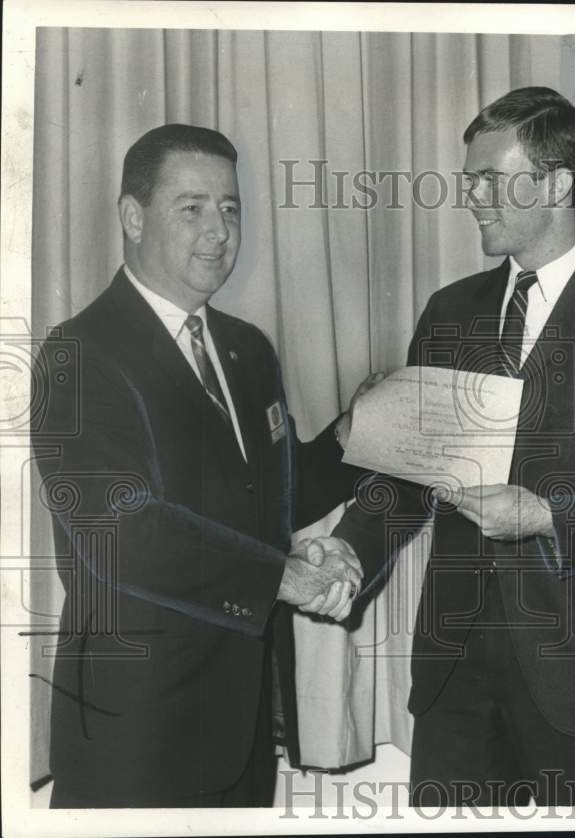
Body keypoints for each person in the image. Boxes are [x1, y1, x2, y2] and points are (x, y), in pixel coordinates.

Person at [335, 87, 575, 806]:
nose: (471, 196)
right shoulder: (450, 311)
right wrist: (350, 549)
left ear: (560, 184)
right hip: (454, 677)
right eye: (469, 178)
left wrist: (548, 517)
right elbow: (409, 474)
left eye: (490, 179)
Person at [32, 123, 373, 807]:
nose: (218, 230)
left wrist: (365, 431)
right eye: (192, 208)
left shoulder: (247, 350)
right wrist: (286, 579)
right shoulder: (79, 355)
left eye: (230, 208)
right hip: (134, 742)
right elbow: (123, 532)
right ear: (132, 217)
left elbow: (275, 496)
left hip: (243, 730)